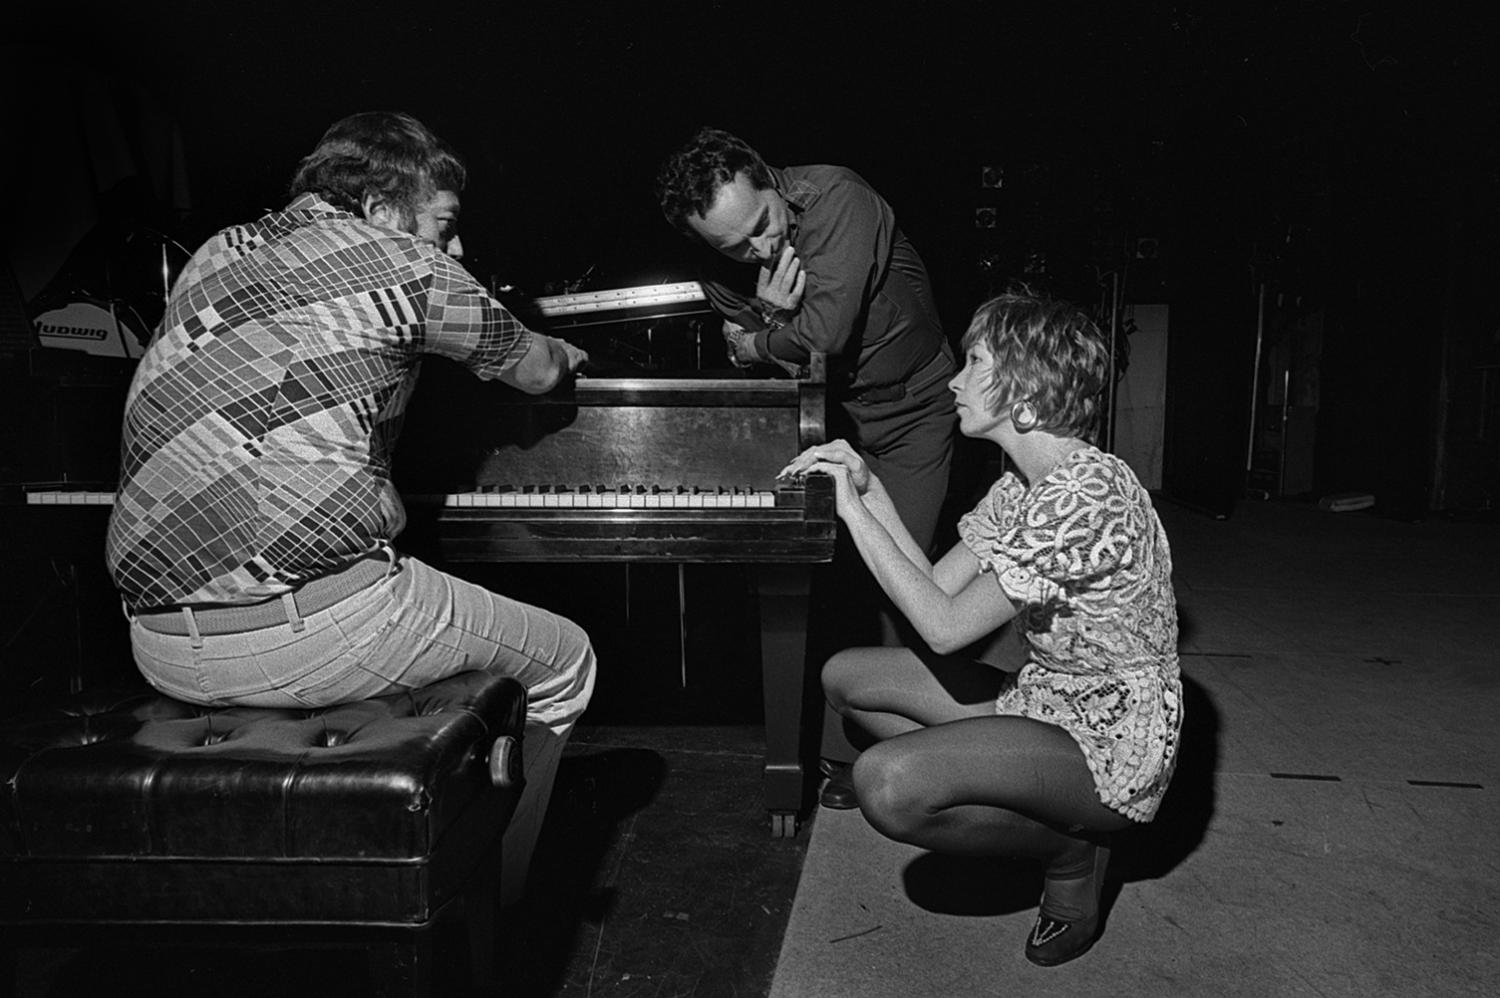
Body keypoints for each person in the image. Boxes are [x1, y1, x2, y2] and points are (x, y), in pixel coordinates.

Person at [104, 111, 595, 907]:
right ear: (381, 211)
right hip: (304, 637)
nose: (457, 248)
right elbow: (537, 372)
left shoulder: (215, 253)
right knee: (569, 660)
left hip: (152, 640)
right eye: (445, 224)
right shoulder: (410, 264)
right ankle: (497, 916)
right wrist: (563, 349)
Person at [777, 291, 1182, 966]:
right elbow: (934, 588)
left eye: (974, 361)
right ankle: (1023, 797)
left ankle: (1075, 850)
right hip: (1047, 697)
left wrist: (849, 512)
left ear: (1024, 394)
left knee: (888, 784)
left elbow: (942, 629)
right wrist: (870, 488)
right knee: (845, 680)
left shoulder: (1088, 497)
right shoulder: (1022, 487)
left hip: (1110, 745)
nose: (955, 379)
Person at [655, 127, 958, 805]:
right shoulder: (720, 266)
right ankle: (844, 754)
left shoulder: (838, 197)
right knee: (826, 574)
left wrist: (764, 334)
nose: (760, 249)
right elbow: (771, 351)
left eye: (763, 225)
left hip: (914, 410)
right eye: (735, 248)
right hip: (833, 414)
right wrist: (770, 320)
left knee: (900, 574)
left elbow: (817, 337)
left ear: (770, 178)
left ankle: (919, 737)